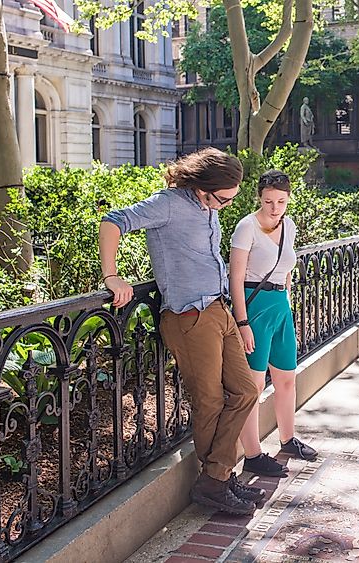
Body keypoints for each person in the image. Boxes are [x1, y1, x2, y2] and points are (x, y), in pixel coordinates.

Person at [99, 148, 263, 515]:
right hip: (189, 316)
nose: (224, 205)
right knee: (210, 401)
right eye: (222, 198)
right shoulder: (168, 204)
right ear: (203, 186)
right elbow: (113, 222)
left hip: (219, 309)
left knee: (247, 389)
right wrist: (111, 275)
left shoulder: (208, 207)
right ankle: (217, 481)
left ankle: (216, 475)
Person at [229, 170, 318, 477]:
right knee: (253, 386)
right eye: (268, 201)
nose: (275, 207)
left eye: (281, 201)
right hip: (255, 310)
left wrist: (288, 301)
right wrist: (242, 322)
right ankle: (253, 454)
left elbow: (287, 268)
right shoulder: (246, 228)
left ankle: (287, 438)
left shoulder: (289, 226)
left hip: (281, 307)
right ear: (260, 198)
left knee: (287, 378)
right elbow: (235, 279)